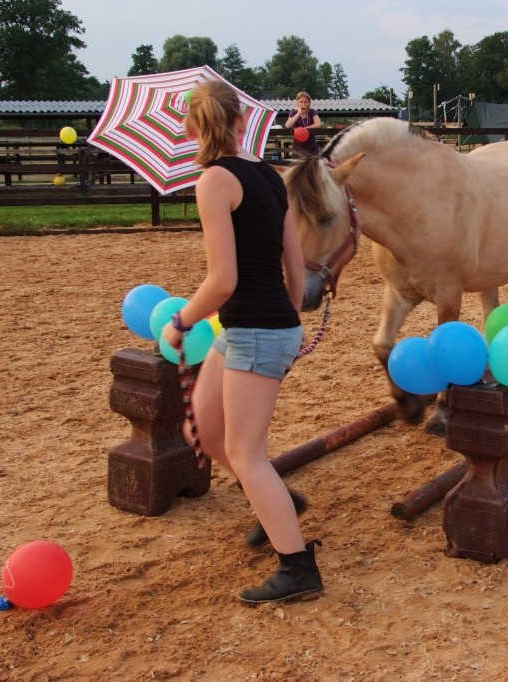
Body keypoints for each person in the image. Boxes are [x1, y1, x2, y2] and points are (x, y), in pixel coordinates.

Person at [161, 80, 323, 605]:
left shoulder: (213, 181)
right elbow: (294, 264)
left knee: (244, 453)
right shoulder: (270, 176)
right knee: (205, 432)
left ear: (191, 128)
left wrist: (181, 321)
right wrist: (291, 319)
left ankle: (297, 568)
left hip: (254, 329)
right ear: (240, 121)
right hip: (251, 327)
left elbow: (222, 281)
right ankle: (279, 500)